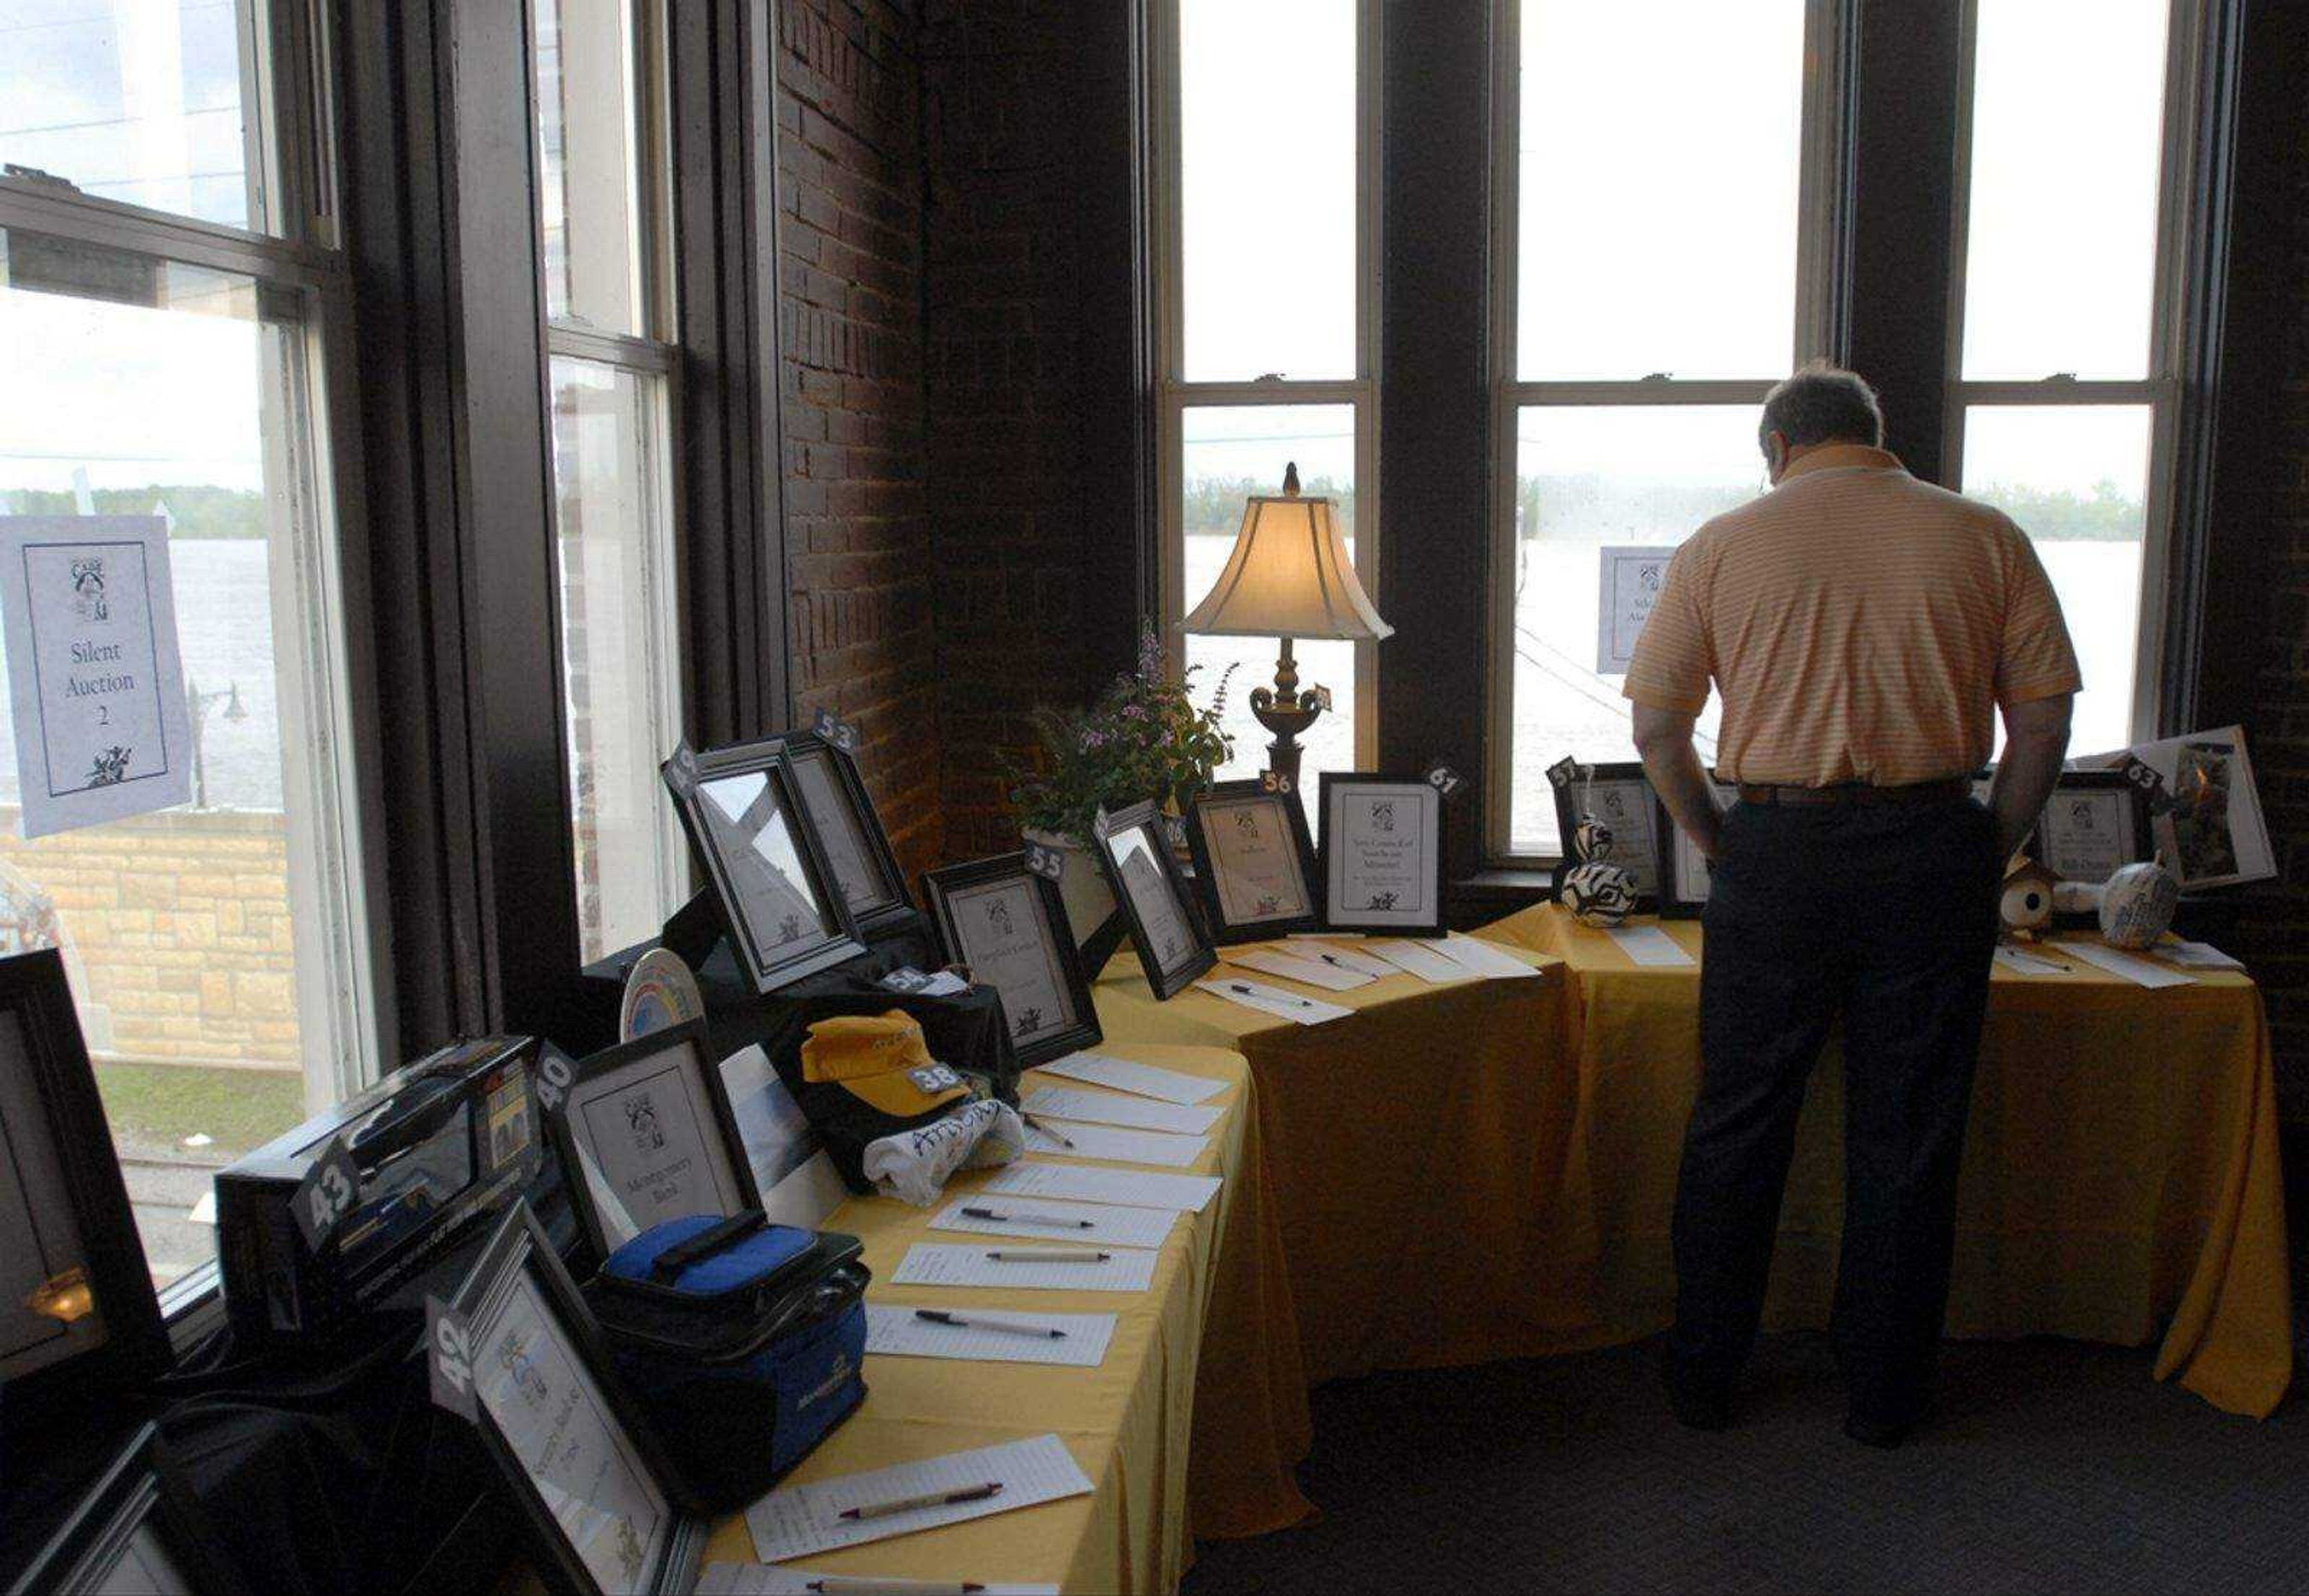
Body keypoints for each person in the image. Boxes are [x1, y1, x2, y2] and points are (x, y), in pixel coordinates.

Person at [1625, 364, 2078, 1448]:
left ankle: (1704, 1375)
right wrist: (1987, 852)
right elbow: (2046, 728)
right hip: (1932, 848)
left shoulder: (1722, 544)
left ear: (1778, 447)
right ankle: (1884, 1396)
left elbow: (1656, 729)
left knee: (1738, 1122)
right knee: (1909, 1132)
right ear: (1877, 437)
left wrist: (1726, 845)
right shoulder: (1987, 536)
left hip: (1777, 850)